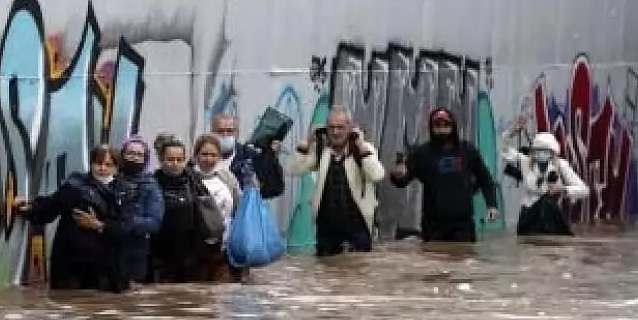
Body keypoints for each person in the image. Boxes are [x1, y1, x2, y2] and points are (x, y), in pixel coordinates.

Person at [14, 145, 128, 293]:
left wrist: (98, 225)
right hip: (70, 262)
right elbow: (50, 208)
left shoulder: (123, 192)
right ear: (91, 164)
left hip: (104, 266)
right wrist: (28, 207)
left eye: (108, 165)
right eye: (98, 163)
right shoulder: (74, 186)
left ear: (116, 167)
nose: (102, 168)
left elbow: (126, 228)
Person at [389, 107, 500, 242]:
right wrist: (397, 175)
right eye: (437, 125)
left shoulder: (467, 150)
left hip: (462, 224)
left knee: (464, 258)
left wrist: (492, 205)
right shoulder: (421, 154)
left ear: (453, 126)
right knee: (435, 260)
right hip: (433, 225)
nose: (442, 129)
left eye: (446, 124)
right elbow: (402, 180)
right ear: (432, 127)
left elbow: (485, 179)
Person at [291, 106, 385, 256]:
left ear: (350, 127)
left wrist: (361, 146)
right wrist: (307, 142)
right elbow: (293, 169)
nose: (335, 132)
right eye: (331, 127)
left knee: (359, 273)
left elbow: (377, 175)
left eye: (340, 127)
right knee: (325, 275)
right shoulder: (321, 149)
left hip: (357, 227)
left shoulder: (362, 149)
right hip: (327, 230)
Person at [502, 118, 589, 236]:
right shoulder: (525, 162)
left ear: (553, 152)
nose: (541, 154)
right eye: (538, 151)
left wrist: (562, 189)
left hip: (550, 213)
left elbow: (584, 190)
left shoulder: (561, 165)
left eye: (546, 151)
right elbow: (504, 150)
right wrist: (512, 132)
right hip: (528, 214)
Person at [152, 138, 205, 283]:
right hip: (159, 251)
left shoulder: (193, 180)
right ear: (161, 159)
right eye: (170, 159)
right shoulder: (152, 183)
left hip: (190, 252)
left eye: (179, 159)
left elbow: (205, 212)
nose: (175, 164)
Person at [191, 133, 242, 281]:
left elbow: (239, 207)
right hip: (197, 248)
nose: (209, 159)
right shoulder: (189, 177)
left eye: (213, 155)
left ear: (220, 156)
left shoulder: (228, 177)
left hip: (225, 245)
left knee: (222, 294)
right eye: (204, 154)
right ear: (196, 155)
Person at [116, 136, 164, 286]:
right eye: (130, 153)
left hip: (136, 252)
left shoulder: (151, 185)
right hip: (109, 250)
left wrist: (128, 222)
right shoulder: (112, 181)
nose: (134, 158)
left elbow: (154, 222)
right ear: (122, 155)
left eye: (139, 154)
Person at [210, 113, 285, 198]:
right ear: (212, 133)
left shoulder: (250, 157)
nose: (225, 135)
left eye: (230, 131)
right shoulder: (202, 157)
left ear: (237, 133)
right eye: (220, 131)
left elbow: (275, 188)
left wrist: (272, 158)